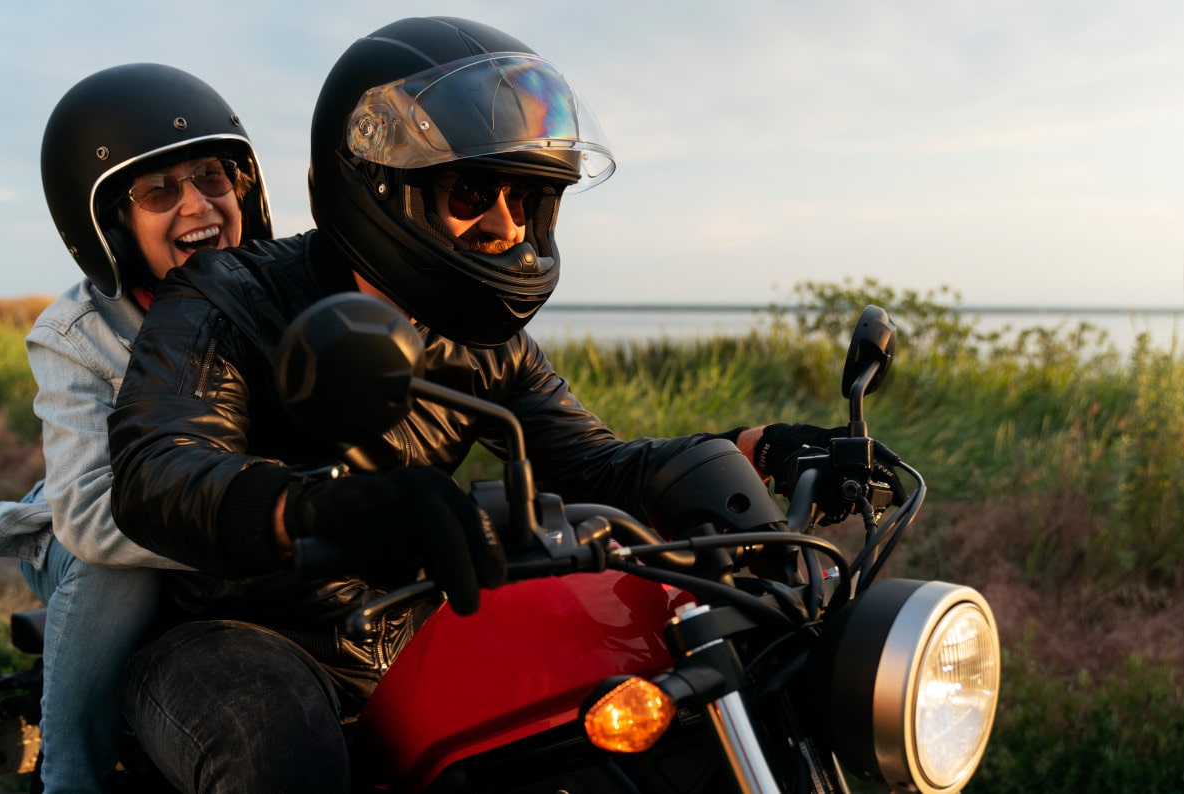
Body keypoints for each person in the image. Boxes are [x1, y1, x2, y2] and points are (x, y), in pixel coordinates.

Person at [106, 17, 844, 793]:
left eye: (527, 198)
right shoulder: (228, 295)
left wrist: (752, 450)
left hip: (412, 627)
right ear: (378, 187)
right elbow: (162, 468)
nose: (505, 225)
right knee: (283, 756)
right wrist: (323, 508)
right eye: (470, 193)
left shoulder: (485, 341)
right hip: (237, 633)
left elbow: (595, 462)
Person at [0, 63, 273, 793]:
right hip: (91, 531)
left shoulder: (285, 285)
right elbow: (91, 520)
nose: (199, 204)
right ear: (108, 223)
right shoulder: (76, 334)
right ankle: (71, 775)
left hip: (242, 520)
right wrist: (271, 526)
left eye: (213, 178)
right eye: (160, 191)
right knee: (118, 566)